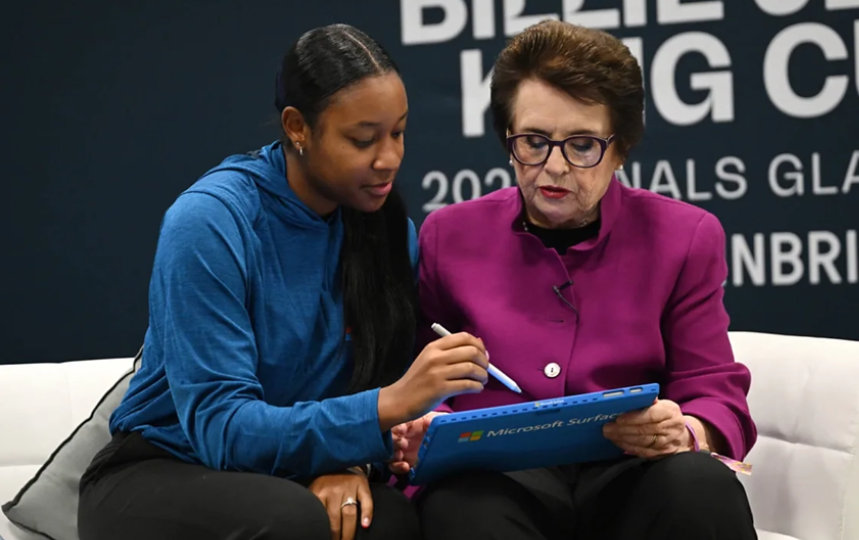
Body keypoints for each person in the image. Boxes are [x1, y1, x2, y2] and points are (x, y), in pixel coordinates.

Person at [77, 23, 490, 540]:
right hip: (162, 467)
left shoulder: (387, 231)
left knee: (386, 520)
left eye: (399, 132)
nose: (389, 158)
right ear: (297, 126)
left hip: (287, 473)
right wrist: (389, 405)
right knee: (296, 521)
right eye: (363, 139)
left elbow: (365, 398)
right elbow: (220, 429)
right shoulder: (208, 222)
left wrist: (357, 460)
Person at [404, 20, 758, 540]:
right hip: (498, 480)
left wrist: (684, 429)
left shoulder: (684, 237)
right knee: (458, 507)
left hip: (630, 473)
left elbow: (712, 392)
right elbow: (419, 381)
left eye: (583, 145)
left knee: (698, 485)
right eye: (534, 141)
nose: (554, 168)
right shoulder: (447, 236)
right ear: (508, 140)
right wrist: (431, 423)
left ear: (620, 150)